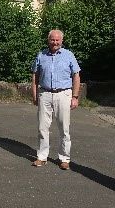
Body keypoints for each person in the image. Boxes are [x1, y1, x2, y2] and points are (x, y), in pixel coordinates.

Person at [31, 29, 81, 170]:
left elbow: (76, 76)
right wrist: (34, 95)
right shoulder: (41, 55)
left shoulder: (69, 55)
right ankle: (42, 157)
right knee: (42, 127)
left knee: (64, 128)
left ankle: (64, 158)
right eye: (52, 40)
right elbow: (35, 76)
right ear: (48, 40)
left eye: (57, 40)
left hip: (63, 94)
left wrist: (75, 97)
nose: (55, 42)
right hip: (45, 93)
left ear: (61, 41)